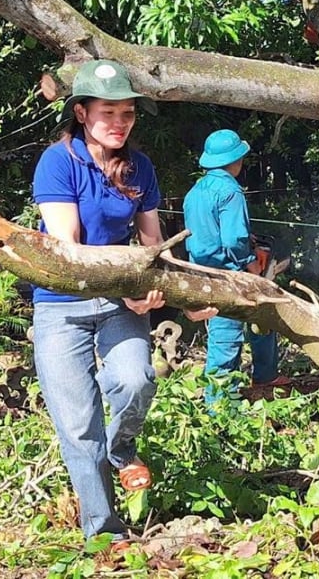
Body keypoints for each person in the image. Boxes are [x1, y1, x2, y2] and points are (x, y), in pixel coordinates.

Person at [31, 59, 215, 544]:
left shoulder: (141, 167)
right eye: (108, 112)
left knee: (137, 379)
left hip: (117, 303)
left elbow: (155, 243)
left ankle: (122, 449)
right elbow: (69, 252)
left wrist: (178, 296)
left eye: (128, 114)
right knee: (78, 424)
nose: (119, 123)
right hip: (60, 303)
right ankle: (103, 530)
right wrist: (129, 287)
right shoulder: (58, 161)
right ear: (81, 113)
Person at [184, 129, 287, 403]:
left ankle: (266, 376)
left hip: (201, 272)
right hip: (229, 274)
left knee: (263, 317)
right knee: (227, 338)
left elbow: (207, 233)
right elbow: (233, 239)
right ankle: (220, 410)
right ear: (236, 160)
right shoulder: (230, 191)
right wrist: (251, 261)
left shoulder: (194, 193)